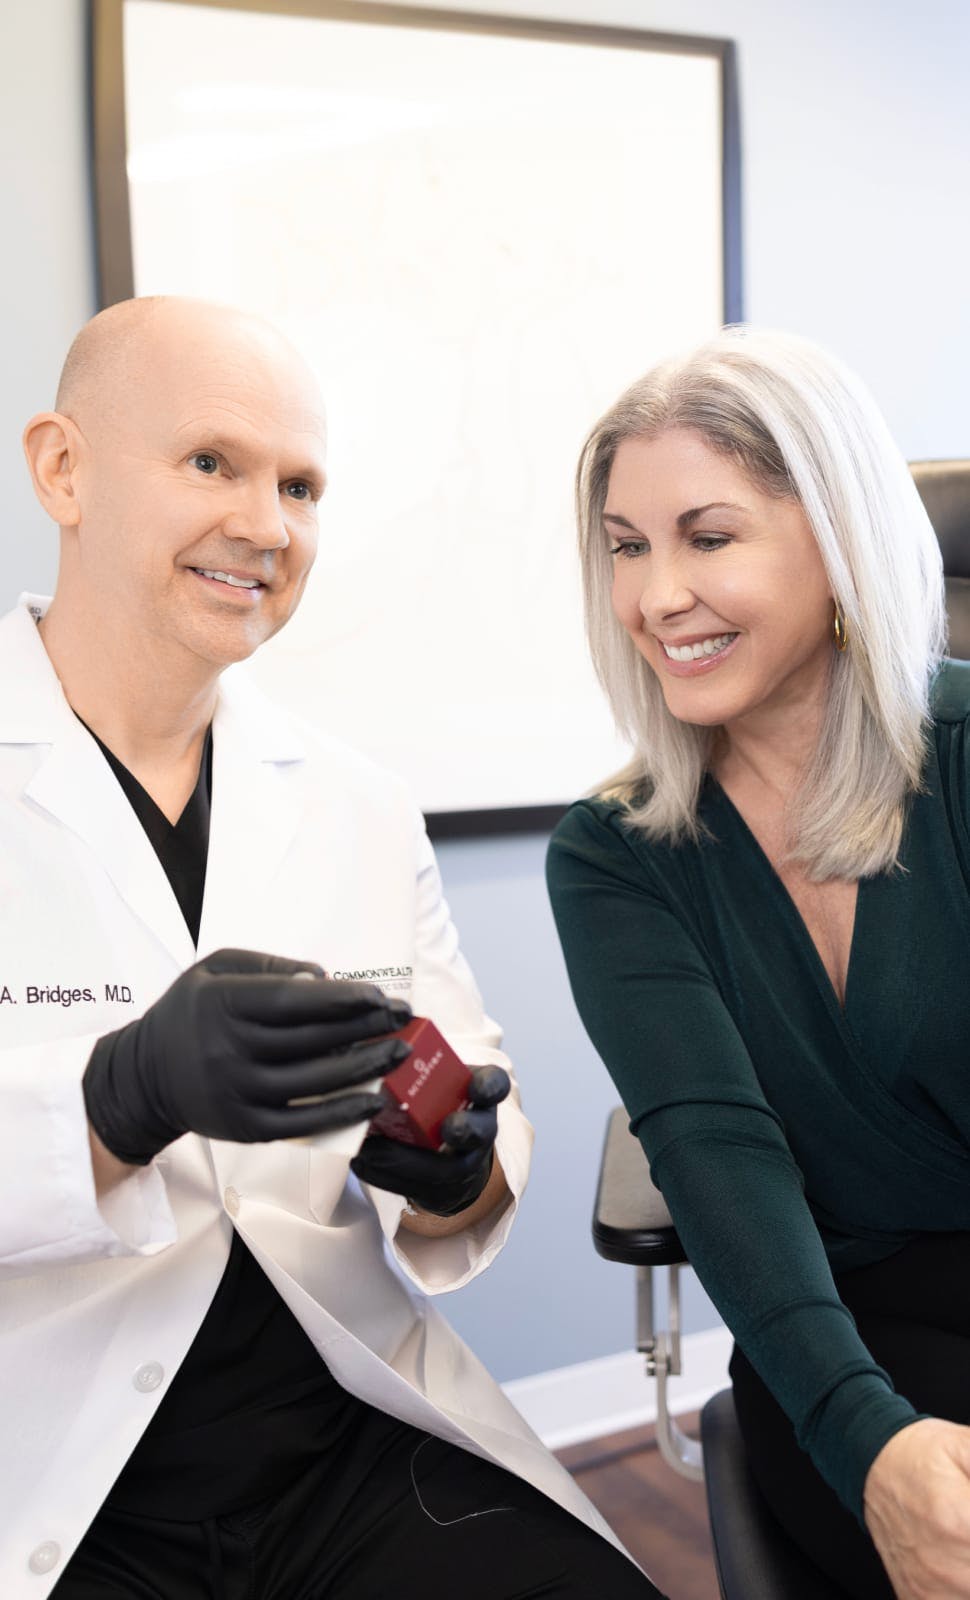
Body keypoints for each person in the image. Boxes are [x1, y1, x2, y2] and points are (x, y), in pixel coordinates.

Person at [1, 296, 659, 1599]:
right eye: (212, 462)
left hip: (339, 1444)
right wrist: (114, 1098)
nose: (266, 525)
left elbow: (476, 1148)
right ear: (62, 470)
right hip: (58, 1477)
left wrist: (452, 1164)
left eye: (299, 486)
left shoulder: (355, 802)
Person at [546, 326, 970, 1600]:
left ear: (835, 537)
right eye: (627, 547)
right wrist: (871, 1445)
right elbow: (718, 1160)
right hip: (842, 1340)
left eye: (707, 536)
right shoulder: (617, 857)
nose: (655, 596)